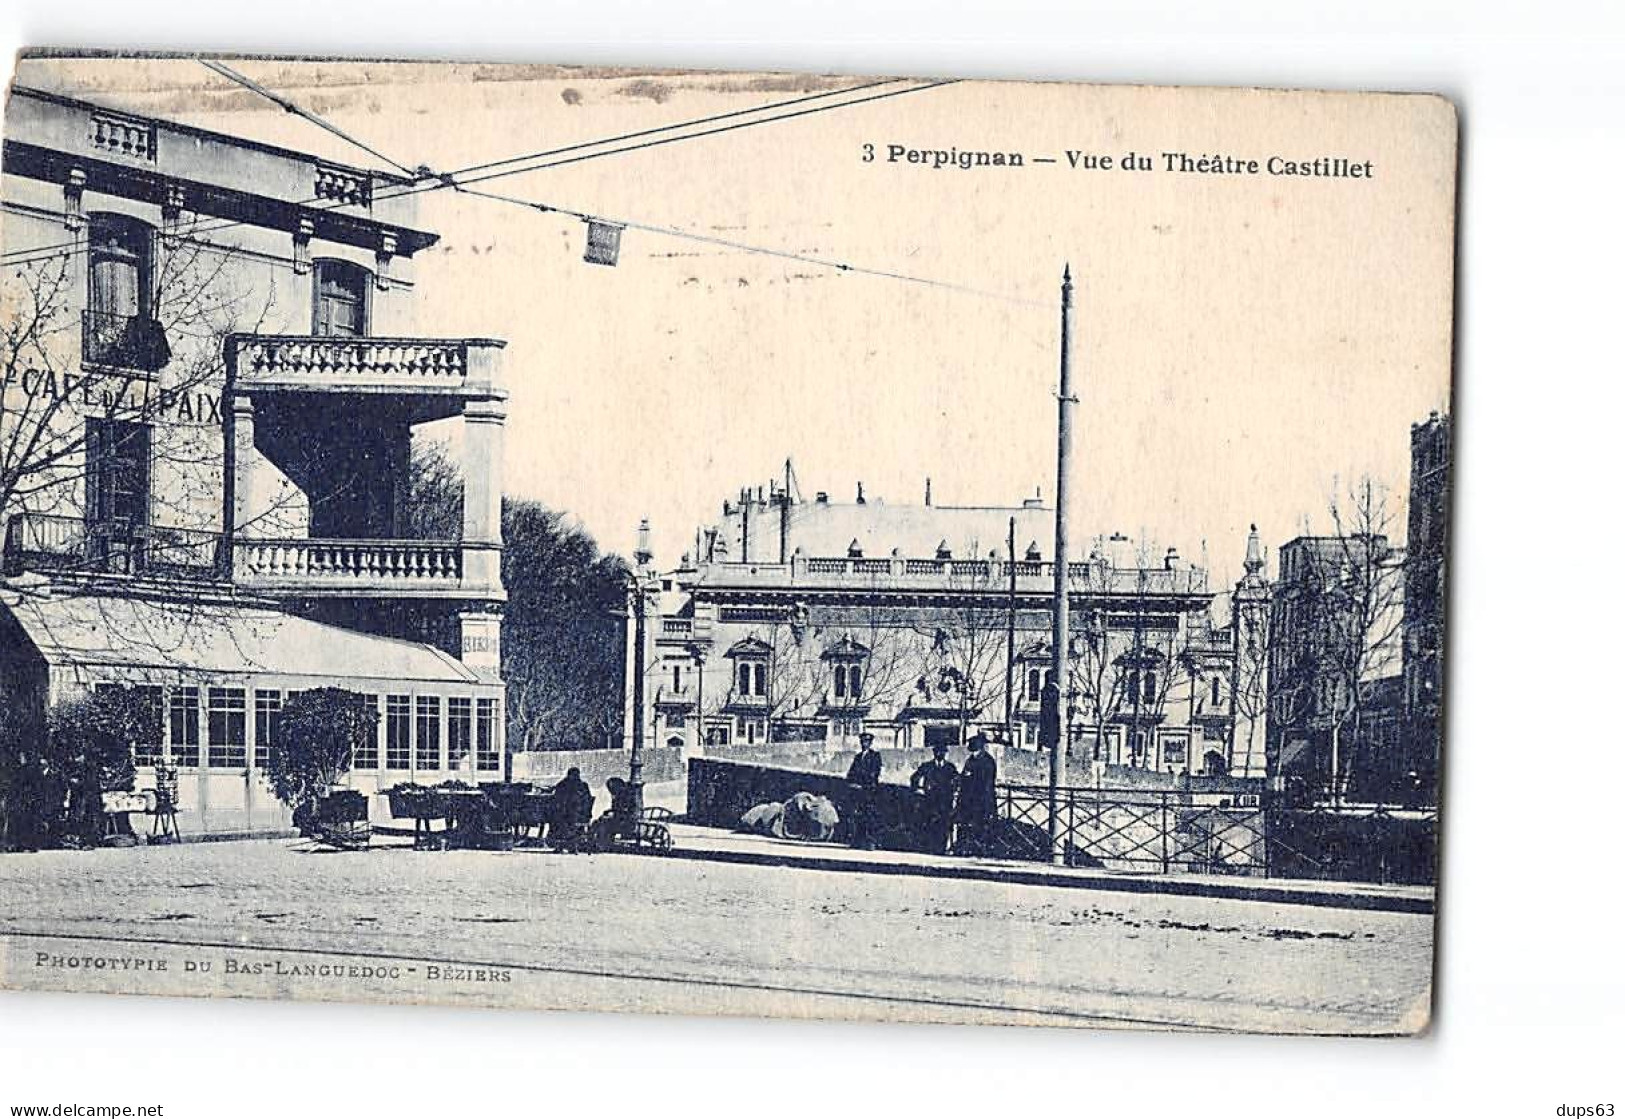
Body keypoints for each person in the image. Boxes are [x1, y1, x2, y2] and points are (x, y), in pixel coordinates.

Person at [909, 742, 958, 854]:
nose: (940, 754)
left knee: (944, 824)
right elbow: (914, 777)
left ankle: (941, 848)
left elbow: (957, 780)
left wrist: (954, 791)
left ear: (945, 754)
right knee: (930, 824)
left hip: (945, 801)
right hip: (930, 800)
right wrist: (917, 790)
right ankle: (931, 848)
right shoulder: (927, 766)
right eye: (938, 752)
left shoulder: (950, 767)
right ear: (934, 753)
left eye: (943, 752)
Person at [956, 732, 999, 855]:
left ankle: (981, 850)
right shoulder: (971, 760)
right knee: (967, 825)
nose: (973, 753)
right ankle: (968, 849)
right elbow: (965, 776)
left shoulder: (987, 761)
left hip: (982, 800)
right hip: (969, 799)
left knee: (982, 825)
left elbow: (987, 783)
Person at [844, 732, 883, 849]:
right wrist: (852, 783)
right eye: (862, 742)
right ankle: (858, 841)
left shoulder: (875, 756)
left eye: (866, 742)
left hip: (869, 791)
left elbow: (874, 773)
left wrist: (862, 784)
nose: (864, 744)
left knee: (870, 817)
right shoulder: (858, 757)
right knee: (858, 816)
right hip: (858, 792)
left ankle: (871, 842)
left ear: (870, 743)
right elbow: (851, 773)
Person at [547, 767, 594, 849]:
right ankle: (570, 840)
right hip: (582, 815)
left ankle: (559, 841)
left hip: (569, 815)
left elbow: (557, 799)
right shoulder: (583, 785)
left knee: (555, 818)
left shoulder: (564, 785)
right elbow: (587, 800)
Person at [588, 776, 638, 849]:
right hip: (620, 819)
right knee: (598, 822)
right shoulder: (619, 795)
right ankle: (597, 841)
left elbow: (625, 810)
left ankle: (602, 843)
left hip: (625, 822)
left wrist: (613, 814)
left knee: (603, 824)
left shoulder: (624, 795)